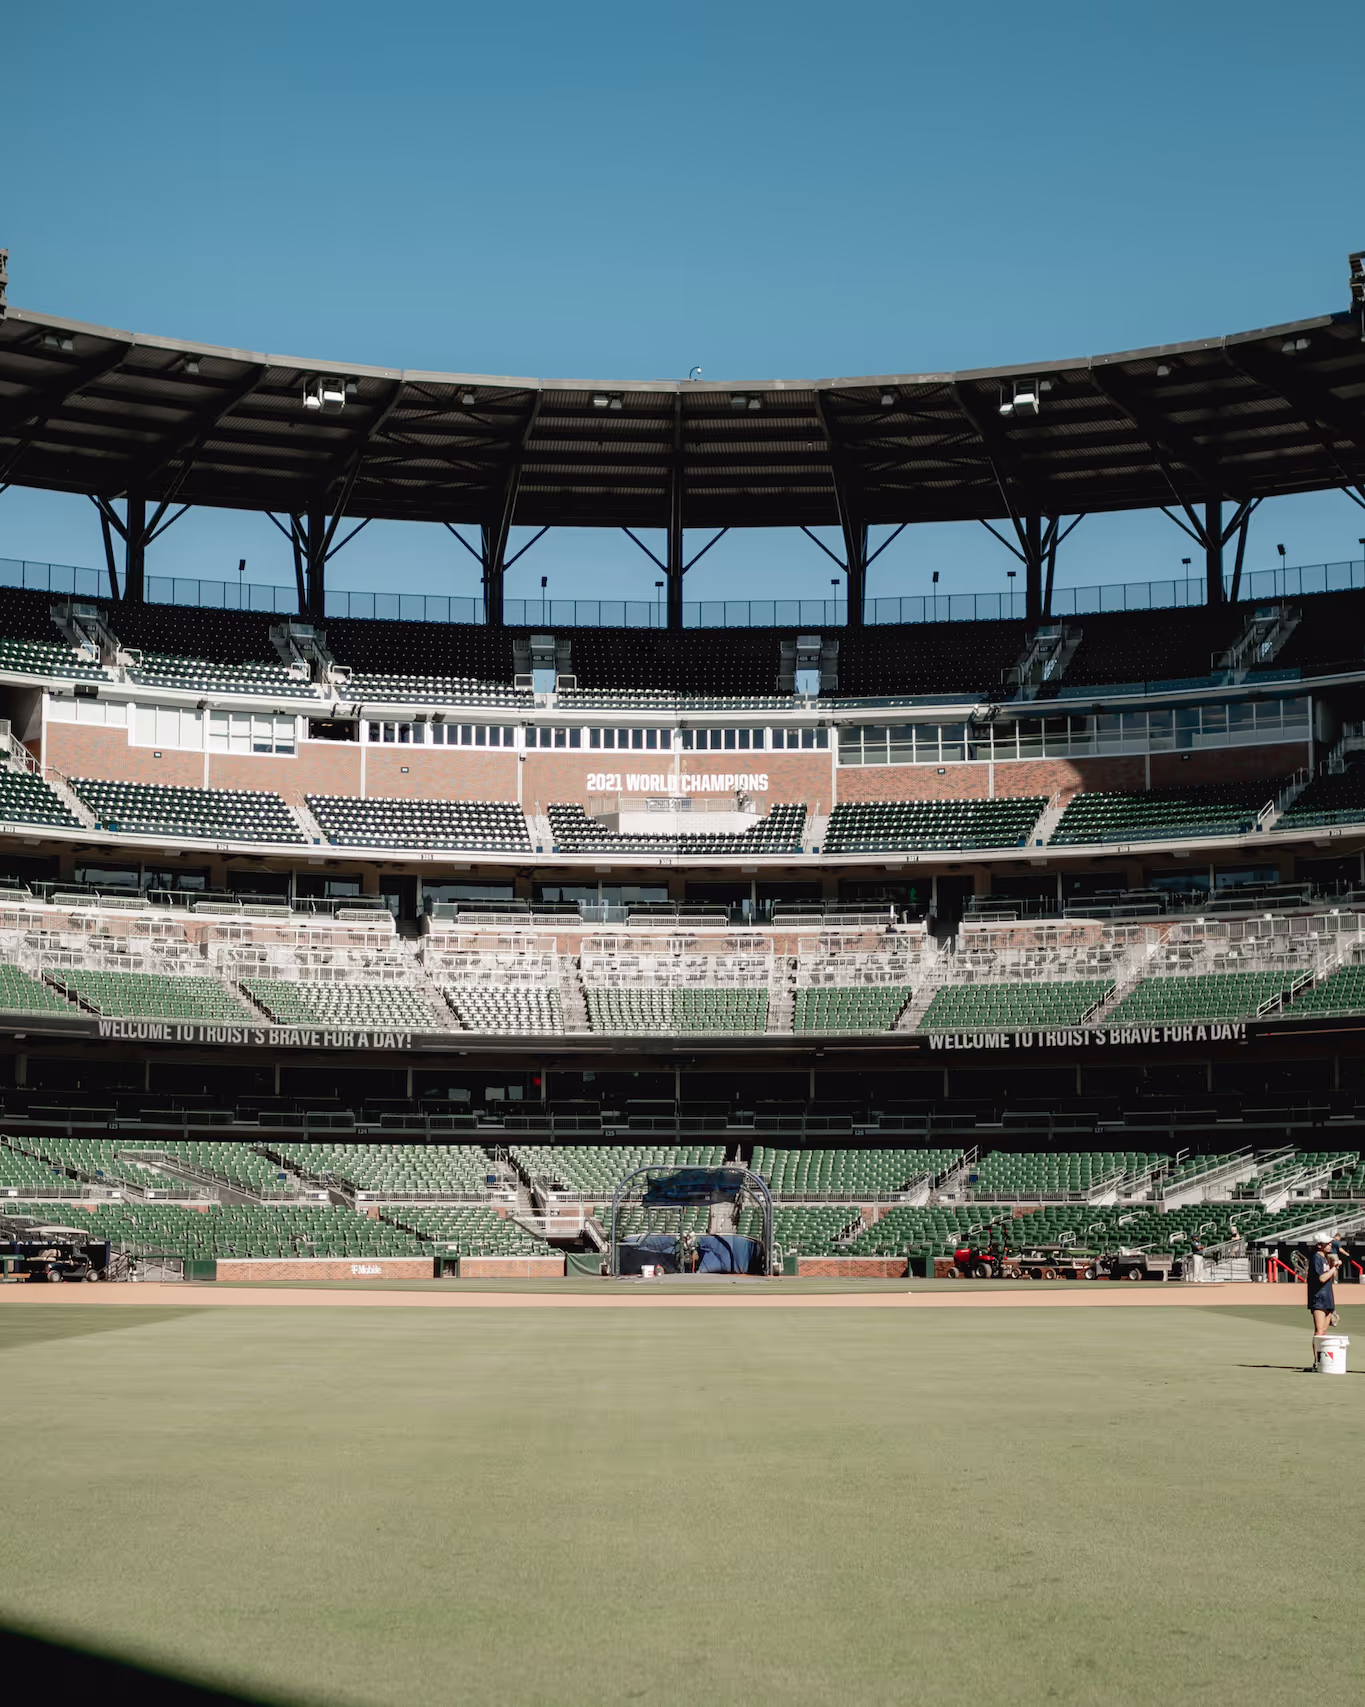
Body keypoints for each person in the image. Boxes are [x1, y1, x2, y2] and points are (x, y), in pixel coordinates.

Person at [1306, 1234, 1342, 1369]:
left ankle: (1322, 1362)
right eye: (1327, 1244)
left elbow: (1331, 1276)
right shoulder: (1316, 1258)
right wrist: (1333, 1267)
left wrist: (1335, 1266)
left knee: (1324, 1332)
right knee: (1319, 1331)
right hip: (1319, 1297)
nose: (1330, 1245)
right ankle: (1317, 1362)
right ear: (1319, 1245)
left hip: (1327, 1296)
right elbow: (1321, 1278)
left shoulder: (1324, 1258)